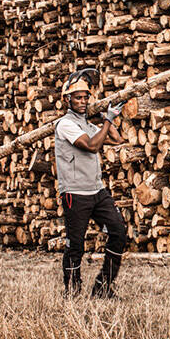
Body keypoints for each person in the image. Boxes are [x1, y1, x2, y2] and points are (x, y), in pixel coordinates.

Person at [55, 67, 128, 297]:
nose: (82, 101)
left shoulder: (89, 125)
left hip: (97, 191)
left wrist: (102, 116)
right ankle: (72, 293)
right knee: (75, 245)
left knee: (118, 231)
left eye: (86, 97)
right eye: (77, 97)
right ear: (67, 99)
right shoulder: (65, 125)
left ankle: (103, 287)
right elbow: (92, 146)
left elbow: (116, 139)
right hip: (74, 193)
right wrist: (107, 120)